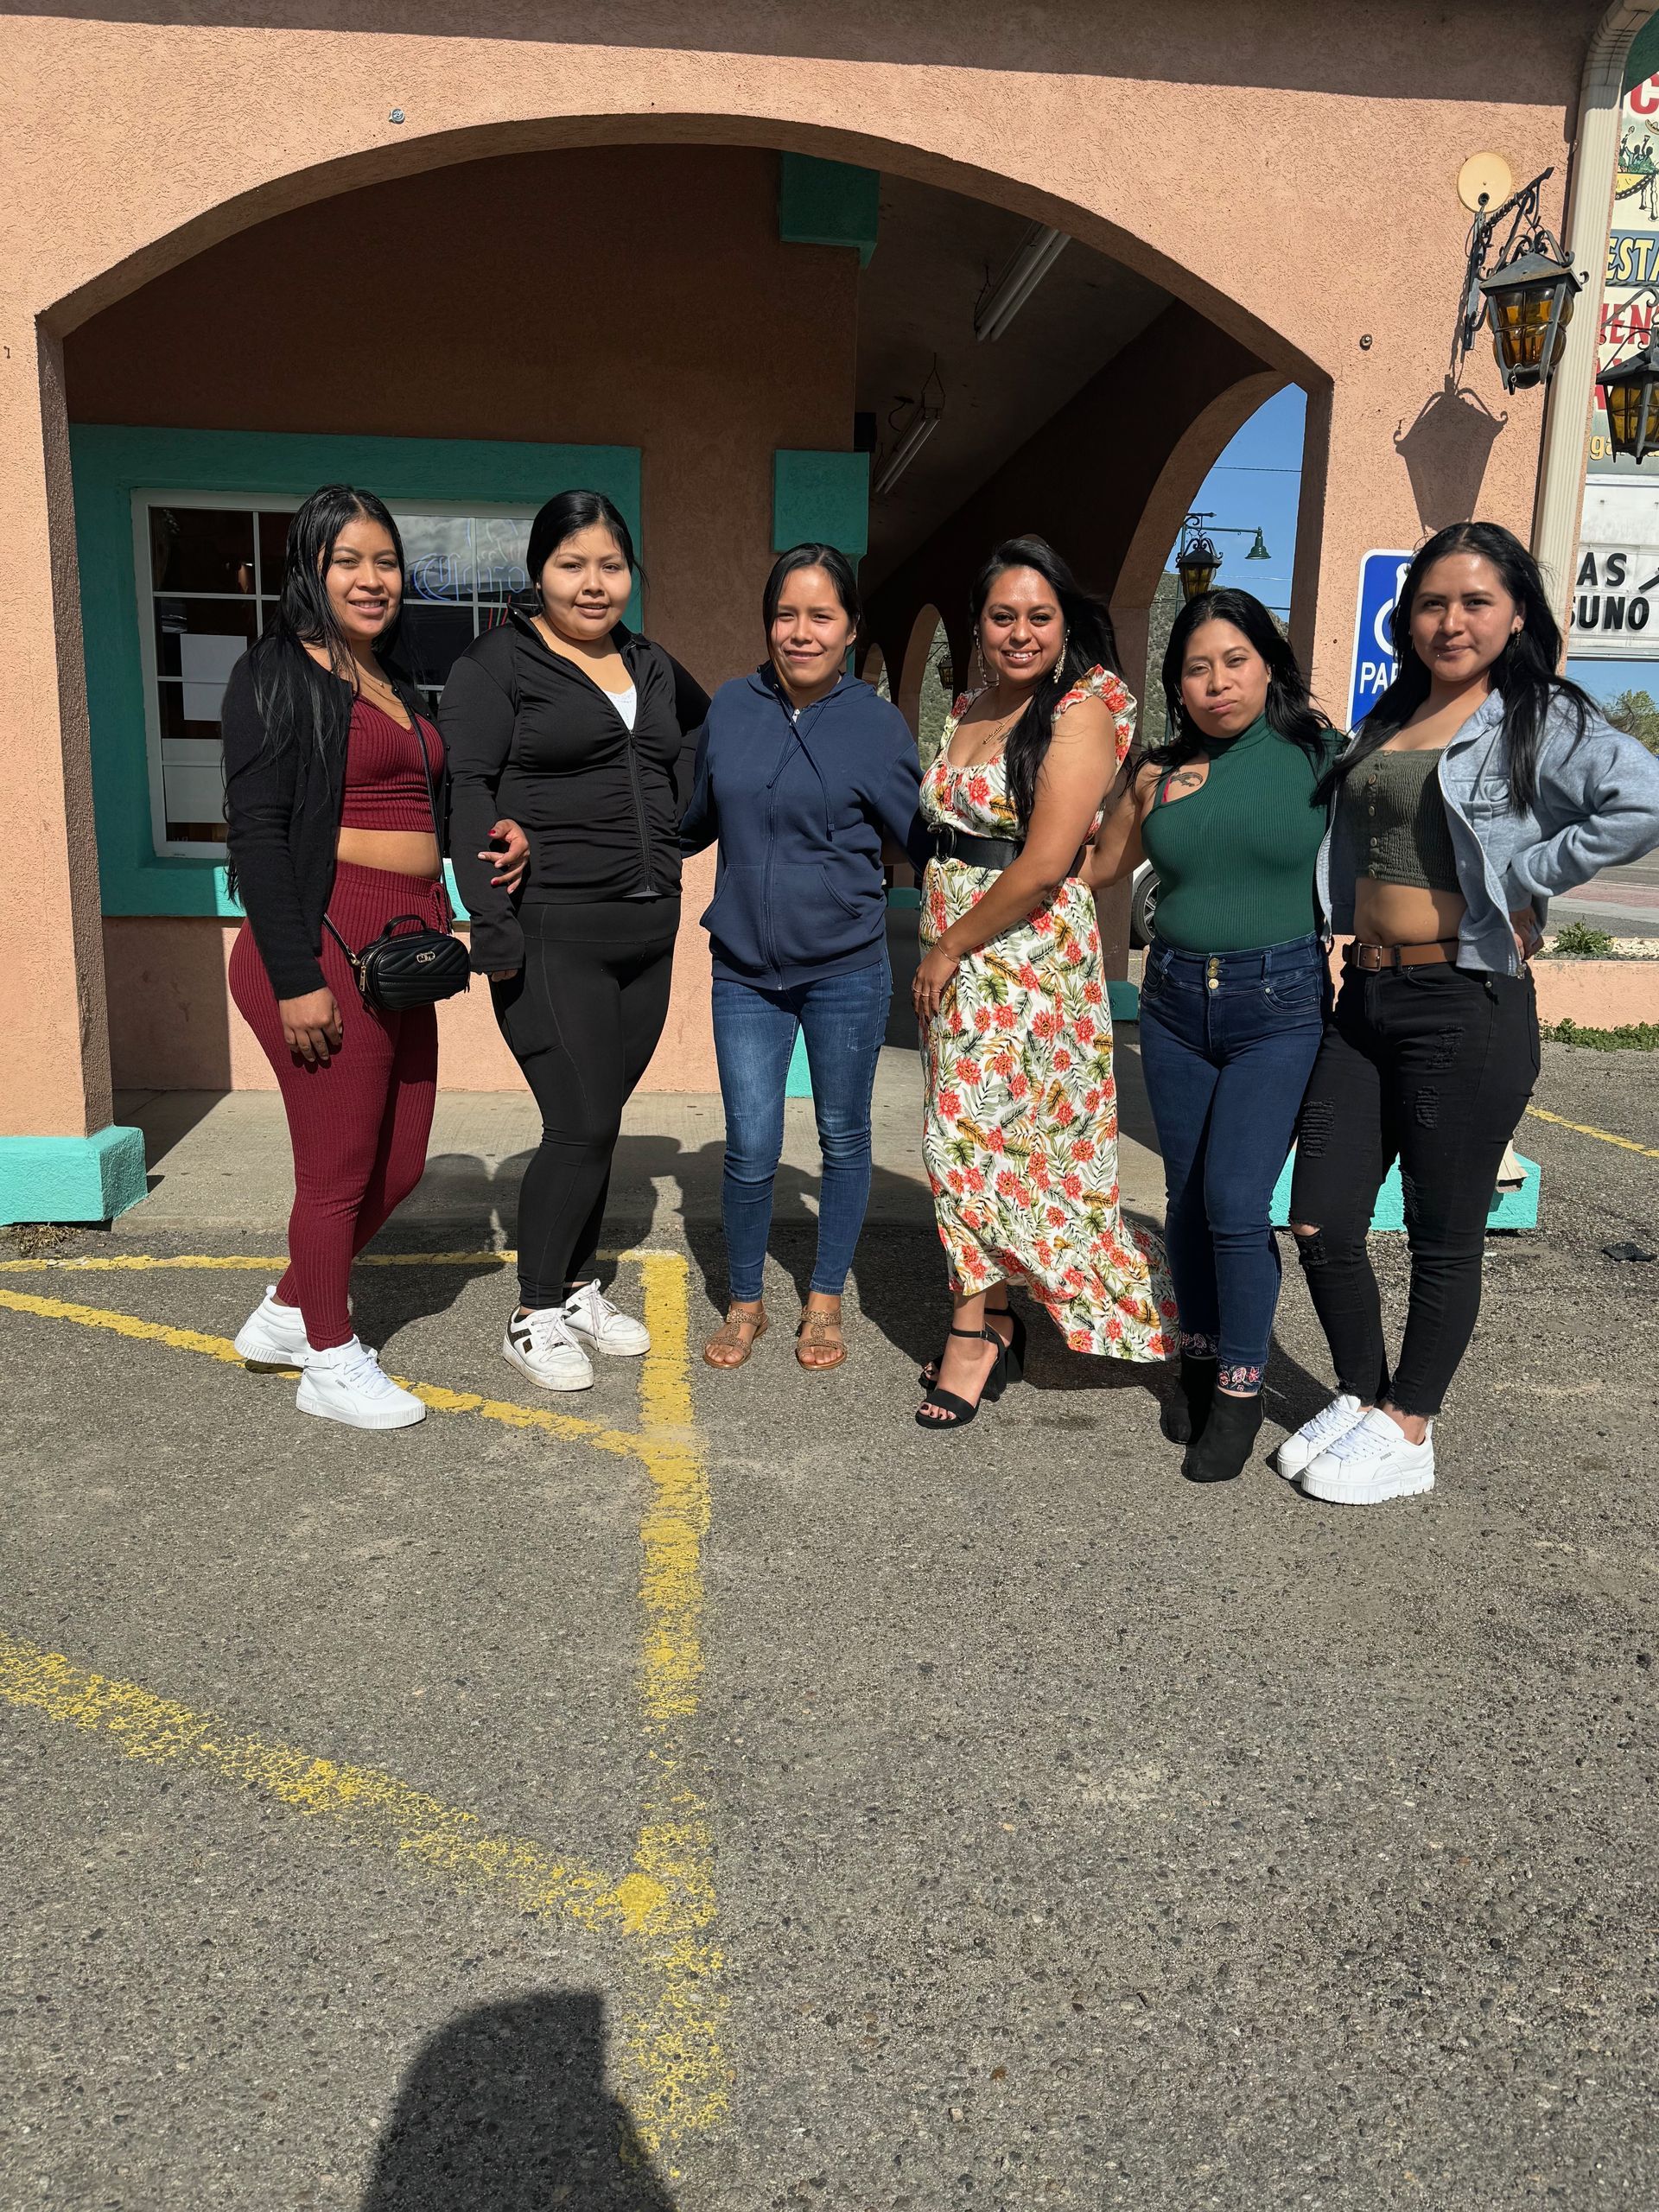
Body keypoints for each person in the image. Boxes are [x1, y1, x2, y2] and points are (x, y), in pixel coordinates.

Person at [1283, 519, 1659, 1503]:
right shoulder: (1394, 716)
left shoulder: (1539, 718)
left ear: (1516, 614)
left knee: (1441, 1229)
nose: (1450, 621)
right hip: (1363, 994)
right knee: (1321, 1216)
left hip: (1465, 995)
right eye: (1432, 603)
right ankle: (1366, 1394)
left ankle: (1411, 1427)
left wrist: (1529, 876)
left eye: (1474, 601)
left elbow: (1641, 798)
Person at [225, 486, 528, 1429]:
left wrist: (498, 833)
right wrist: (296, 977)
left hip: (400, 949)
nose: (370, 578)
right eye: (347, 559)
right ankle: (328, 1356)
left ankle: (285, 1311)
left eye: (386, 561)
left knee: (398, 1167)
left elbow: (421, 806)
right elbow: (261, 838)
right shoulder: (274, 674)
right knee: (336, 1176)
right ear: (310, 569)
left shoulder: (393, 678)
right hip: (322, 945)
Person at [441, 490, 709, 1393]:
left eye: (610, 565)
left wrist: (682, 832)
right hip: (552, 930)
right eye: (572, 564)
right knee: (580, 1119)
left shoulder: (651, 661)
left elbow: (699, 749)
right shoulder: (497, 664)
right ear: (538, 573)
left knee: (603, 1122)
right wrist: (493, 917)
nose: (593, 584)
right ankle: (533, 1310)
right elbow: (469, 794)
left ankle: (578, 1283)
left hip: (648, 928)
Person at [912, 535, 1173, 1429]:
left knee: (964, 1149)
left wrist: (947, 948)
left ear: (1066, 623)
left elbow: (1047, 863)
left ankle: (974, 1335)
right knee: (974, 1149)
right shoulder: (973, 702)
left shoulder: (1083, 710)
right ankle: (992, 1313)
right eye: (1001, 616)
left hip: (1019, 959)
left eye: (1038, 616)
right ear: (979, 626)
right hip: (961, 944)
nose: (1019, 632)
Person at [1087, 589, 1341, 1483]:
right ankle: (1195, 1355)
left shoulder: (1320, 754)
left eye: (1235, 660)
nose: (1217, 681)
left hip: (1280, 1003)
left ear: (1268, 663)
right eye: (1197, 668)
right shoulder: (1160, 773)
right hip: (1173, 1002)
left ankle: (1241, 1385)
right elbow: (1098, 864)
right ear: (1178, 686)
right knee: (1189, 1197)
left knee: (1237, 1202)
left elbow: (1403, 827)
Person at [680, 543, 931, 1372]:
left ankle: (824, 1299)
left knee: (843, 1137)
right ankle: (745, 1301)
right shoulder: (731, 707)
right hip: (745, 970)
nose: (801, 632)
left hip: (846, 969)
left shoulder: (876, 723)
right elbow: (687, 821)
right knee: (751, 1143)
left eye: (821, 616)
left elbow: (920, 837)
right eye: (786, 615)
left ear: (850, 628)